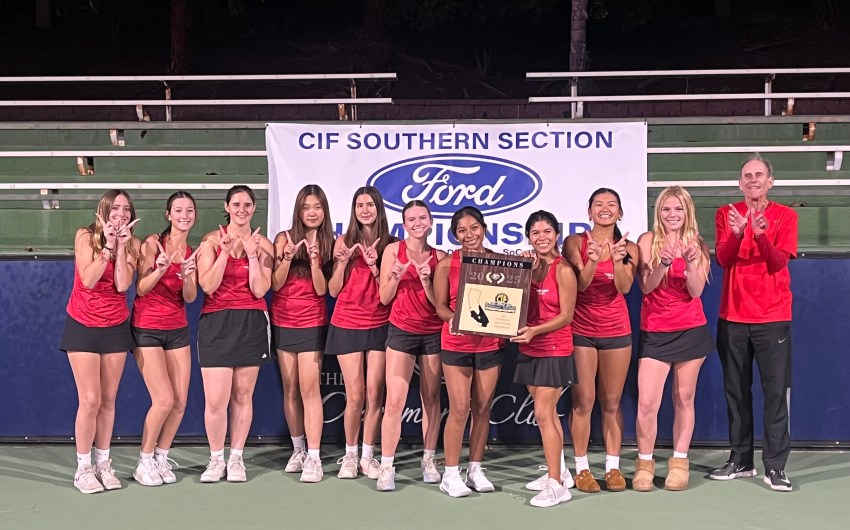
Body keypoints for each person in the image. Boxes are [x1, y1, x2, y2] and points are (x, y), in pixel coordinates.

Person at [709, 154, 798, 492]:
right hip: (732, 317)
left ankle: (774, 467)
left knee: (775, 394)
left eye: (759, 175)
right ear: (740, 182)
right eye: (747, 175)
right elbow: (723, 258)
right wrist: (737, 233)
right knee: (736, 392)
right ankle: (741, 460)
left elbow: (777, 264)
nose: (753, 180)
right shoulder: (726, 214)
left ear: (770, 181)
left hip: (773, 318)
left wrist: (760, 236)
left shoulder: (786, 216)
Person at [60, 189, 140, 494]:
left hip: (116, 327)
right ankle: (83, 468)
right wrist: (107, 245)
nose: (120, 214)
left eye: (126, 210)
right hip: (82, 324)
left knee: (108, 400)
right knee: (90, 399)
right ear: (104, 211)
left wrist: (120, 247)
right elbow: (89, 278)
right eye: (115, 208)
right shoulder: (85, 235)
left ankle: (103, 464)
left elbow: (121, 284)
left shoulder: (131, 244)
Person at [633, 186, 712, 492]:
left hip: (691, 331)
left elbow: (695, 291)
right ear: (659, 213)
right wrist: (663, 263)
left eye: (678, 209)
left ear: (687, 212)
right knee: (648, 403)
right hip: (655, 332)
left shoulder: (698, 244)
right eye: (666, 209)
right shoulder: (647, 241)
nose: (672, 215)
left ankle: (679, 462)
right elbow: (646, 287)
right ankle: (644, 463)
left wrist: (691, 263)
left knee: (684, 398)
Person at [561, 188, 637, 493]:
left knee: (612, 402)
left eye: (611, 205)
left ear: (619, 212)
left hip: (617, 332)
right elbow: (578, 286)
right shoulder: (574, 242)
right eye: (598, 204)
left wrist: (618, 260)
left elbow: (625, 287)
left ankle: (613, 467)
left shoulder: (629, 246)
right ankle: (581, 469)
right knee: (583, 402)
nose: (605, 209)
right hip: (581, 331)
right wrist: (592, 260)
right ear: (589, 211)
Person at [196, 185, 273, 483]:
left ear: (254, 209)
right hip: (216, 322)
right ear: (226, 207)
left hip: (251, 321)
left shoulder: (264, 245)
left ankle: (237, 459)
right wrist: (226, 253)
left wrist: (253, 256)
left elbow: (260, 289)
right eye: (236, 204)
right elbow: (208, 286)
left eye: (247, 205)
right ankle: (216, 459)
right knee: (216, 399)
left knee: (243, 394)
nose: (242, 210)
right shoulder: (210, 242)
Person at [376, 200, 447, 491]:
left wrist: (428, 282)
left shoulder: (440, 257)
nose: (417, 223)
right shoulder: (393, 251)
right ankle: (387, 465)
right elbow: (383, 298)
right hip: (402, 330)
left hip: (433, 333)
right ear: (404, 225)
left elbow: (439, 305)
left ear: (430, 222)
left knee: (431, 399)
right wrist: (394, 277)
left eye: (422, 218)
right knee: (394, 401)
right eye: (411, 219)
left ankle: (428, 459)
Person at [433, 206, 504, 498]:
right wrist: (455, 320)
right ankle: (450, 474)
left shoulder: (501, 262)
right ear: (455, 235)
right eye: (462, 230)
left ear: (484, 229)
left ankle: (475, 468)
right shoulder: (447, 265)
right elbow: (440, 307)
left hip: (489, 345)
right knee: (460, 408)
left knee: (483, 408)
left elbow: (508, 302)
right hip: (456, 344)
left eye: (474, 227)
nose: (469, 234)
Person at [130, 191, 199, 486]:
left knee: (180, 402)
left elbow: (191, 297)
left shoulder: (192, 251)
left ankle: (161, 456)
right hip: (146, 327)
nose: (184, 215)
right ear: (168, 215)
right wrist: (160, 269)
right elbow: (142, 288)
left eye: (189, 210)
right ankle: (143, 461)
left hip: (178, 328)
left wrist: (186, 275)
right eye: (178, 210)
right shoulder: (151, 244)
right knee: (164, 399)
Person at [511, 211, 578, 508]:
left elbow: (566, 316)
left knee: (542, 414)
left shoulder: (563, 270)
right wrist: (523, 270)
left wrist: (535, 330)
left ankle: (556, 486)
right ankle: (560, 472)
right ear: (528, 237)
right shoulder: (527, 266)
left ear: (557, 235)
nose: (542, 237)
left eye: (547, 231)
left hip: (554, 348)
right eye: (536, 232)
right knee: (547, 416)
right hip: (529, 349)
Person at [326, 186, 393, 480]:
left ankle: (368, 456)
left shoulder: (392, 245)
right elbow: (332, 290)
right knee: (355, 395)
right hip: (347, 323)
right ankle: (350, 455)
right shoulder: (343, 241)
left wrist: (374, 265)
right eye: (359, 205)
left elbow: (387, 295)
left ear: (379, 208)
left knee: (375, 394)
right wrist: (341, 261)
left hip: (379, 323)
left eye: (370, 204)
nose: (365, 210)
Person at [271, 184, 334, 483]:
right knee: (291, 389)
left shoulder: (329, 242)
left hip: (312, 321)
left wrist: (313, 260)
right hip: (283, 320)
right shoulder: (283, 238)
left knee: (310, 389)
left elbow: (323, 290)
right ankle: (297, 449)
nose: (312, 212)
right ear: (298, 210)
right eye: (307, 207)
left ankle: (314, 456)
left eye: (317, 207)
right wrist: (285, 258)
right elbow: (275, 285)